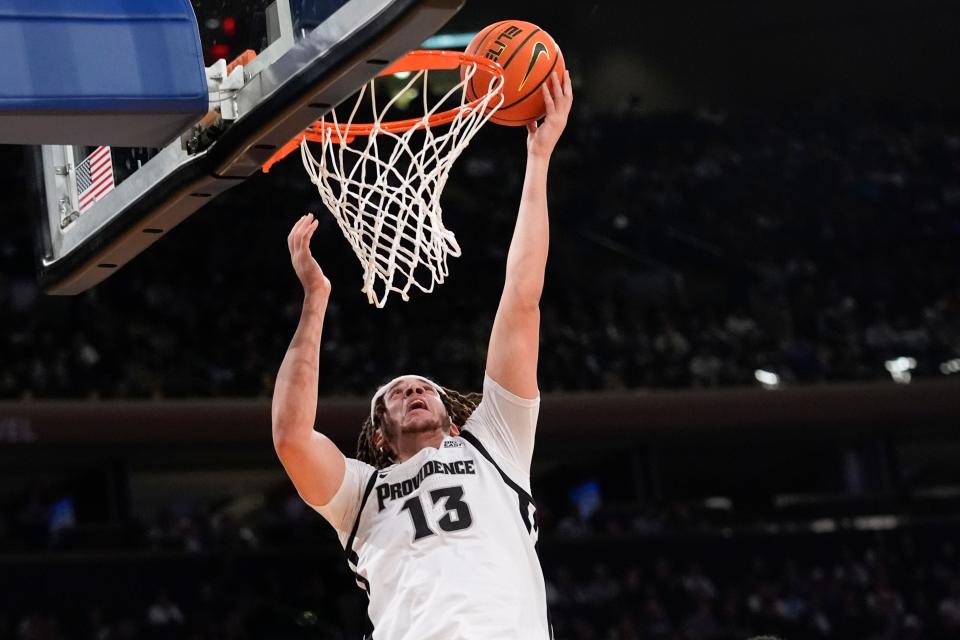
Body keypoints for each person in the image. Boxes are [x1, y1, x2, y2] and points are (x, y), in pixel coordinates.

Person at [271, 70, 573, 639]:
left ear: (454, 418)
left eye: (422, 386)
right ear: (379, 435)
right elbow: (290, 438)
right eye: (394, 394)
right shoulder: (359, 495)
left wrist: (538, 160)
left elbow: (521, 301)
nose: (412, 389)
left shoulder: (497, 444)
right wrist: (315, 300)